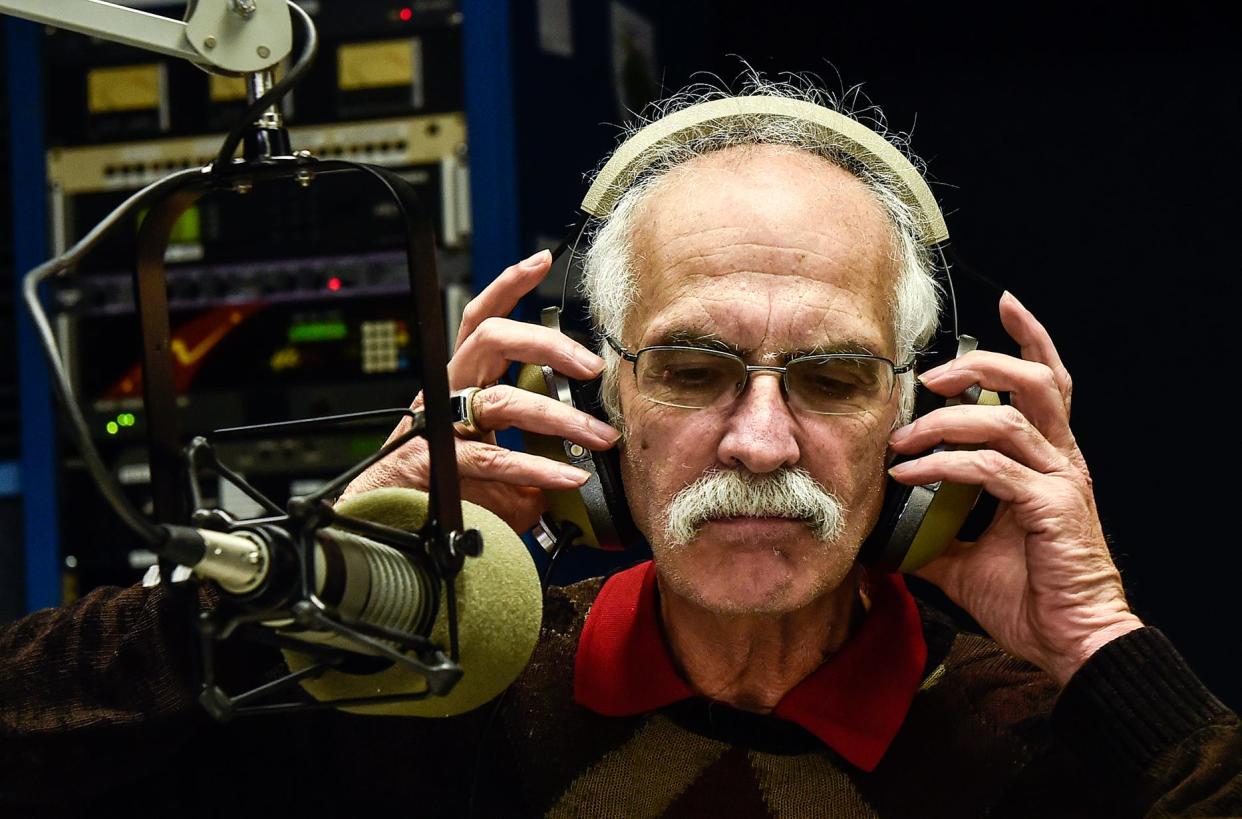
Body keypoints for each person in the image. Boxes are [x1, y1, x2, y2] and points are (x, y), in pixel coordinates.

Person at [2, 77, 1239, 817]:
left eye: (832, 376)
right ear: (591, 405)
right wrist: (310, 587)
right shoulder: (435, 702)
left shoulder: (1034, 746)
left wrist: (1100, 648)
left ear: (914, 423)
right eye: (695, 370)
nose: (760, 443)